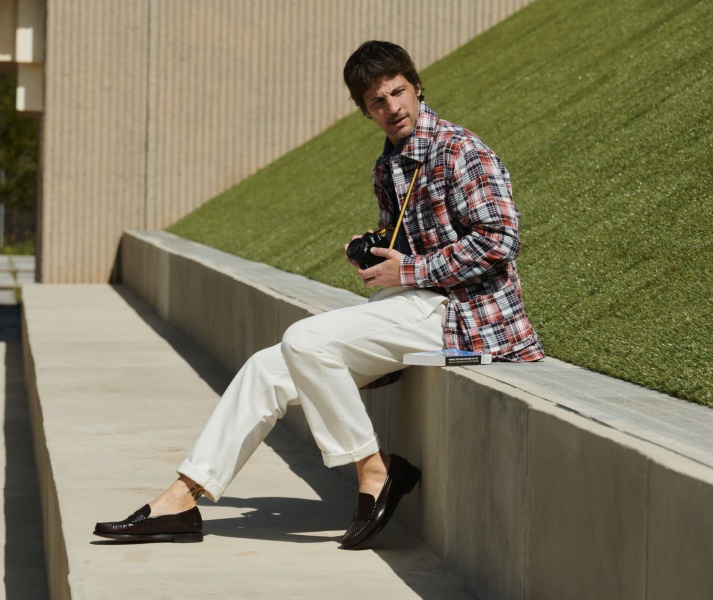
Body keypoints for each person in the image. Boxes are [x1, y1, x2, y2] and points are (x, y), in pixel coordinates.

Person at [94, 40, 543, 549]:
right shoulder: (388, 165)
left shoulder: (461, 150)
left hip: (468, 314)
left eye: (398, 92)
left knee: (305, 340)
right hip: (415, 303)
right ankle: (181, 498)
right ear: (364, 110)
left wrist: (410, 269)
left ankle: (375, 473)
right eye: (377, 101)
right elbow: (408, 242)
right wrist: (373, 252)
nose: (392, 107)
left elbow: (500, 240)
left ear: (417, 87)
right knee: (266, 368)